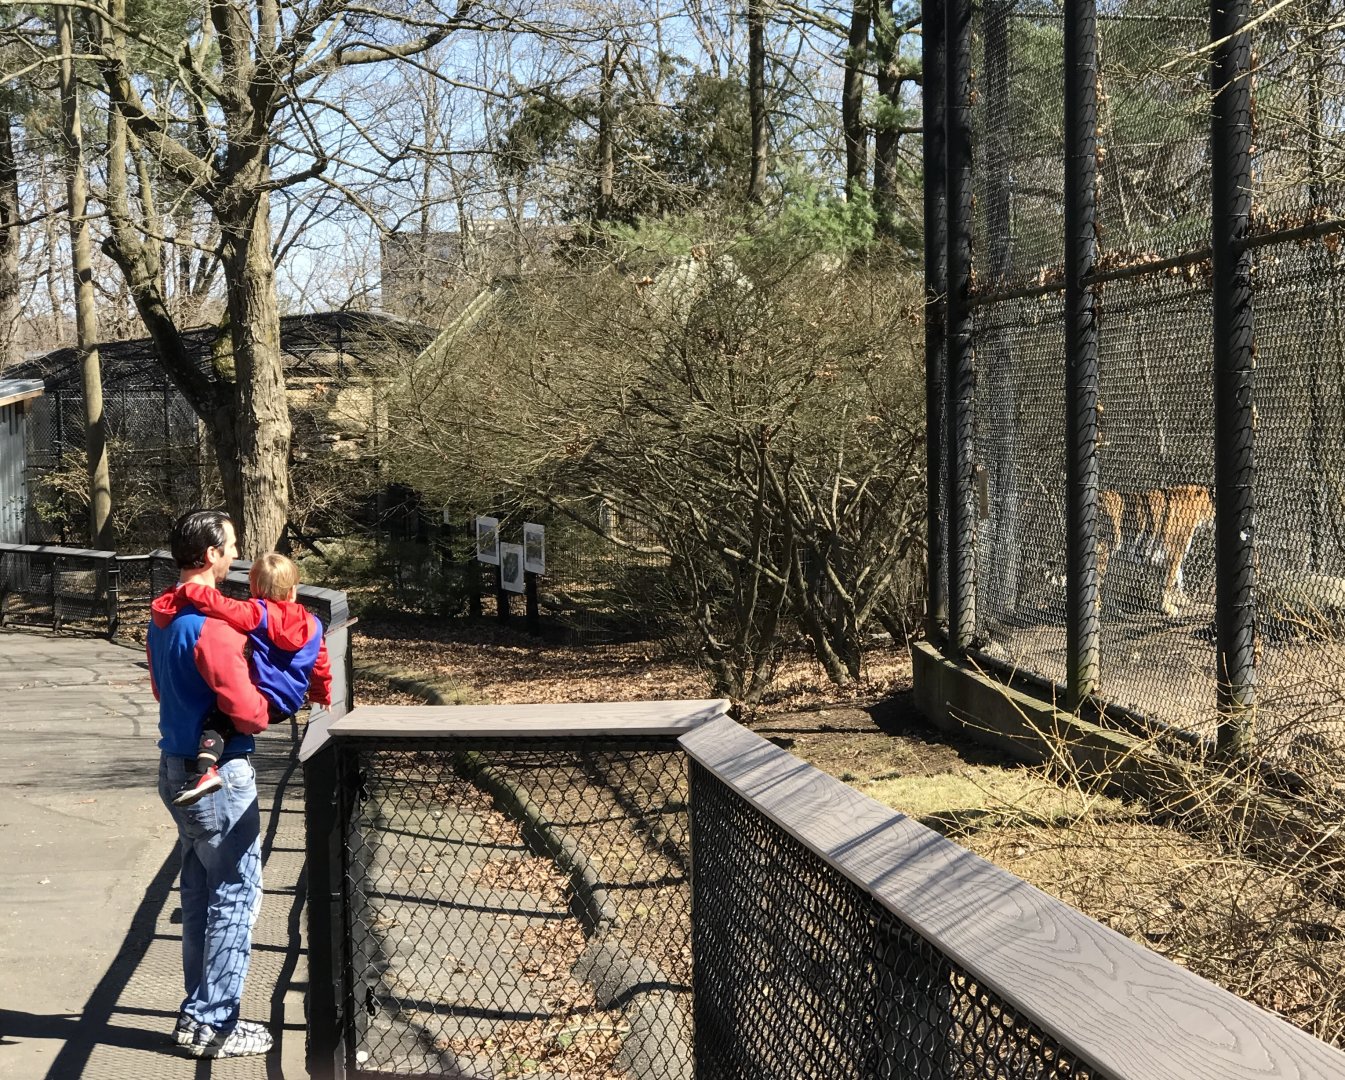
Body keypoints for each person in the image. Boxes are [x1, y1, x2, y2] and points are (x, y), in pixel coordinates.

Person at [147, 508, 275, 1059]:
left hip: (175, 767)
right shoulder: (215, 627)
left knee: (200, 892)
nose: (235, 556)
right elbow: (249, 714)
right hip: (220, 778)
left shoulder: (162, 619)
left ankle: (198, 1012)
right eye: (230, 548)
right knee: (235, 896)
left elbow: (159, 691)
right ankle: (216, 1021)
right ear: (211, 555)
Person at [173, 552, 332, 806]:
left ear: (254, 588)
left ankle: (204, 770)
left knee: (219, 719)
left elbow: (218, 605)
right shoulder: (314, 625)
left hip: (261, 697)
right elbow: (321, 663)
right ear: (293, 591)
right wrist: (321, 694)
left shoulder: (256, 613)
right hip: (287, 704)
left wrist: (188, 590)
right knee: (230, 722)